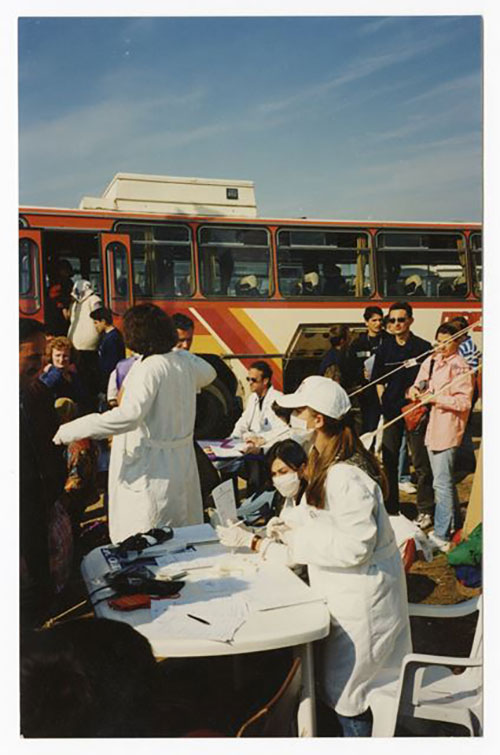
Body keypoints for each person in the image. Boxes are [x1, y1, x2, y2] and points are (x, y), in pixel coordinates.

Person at [217, 376, 411, 737]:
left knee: (352, 698)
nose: (292, 418)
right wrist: (290, 528)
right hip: (345, 593)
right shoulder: (328, 460)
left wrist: (295, 544)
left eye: (298, 411)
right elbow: (332, 526)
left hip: (360, 603)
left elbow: (355, 546)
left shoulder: (345, 474)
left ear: (318, 419)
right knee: (343, 690)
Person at [53, 304, 217, 543]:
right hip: (179, 464)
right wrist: (179, 352)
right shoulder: (182, 362)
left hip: (152, 468)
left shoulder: (150, 367)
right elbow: (209, 373)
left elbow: (128, 416)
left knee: (150, 536)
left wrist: (70, 430)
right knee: (180, 535)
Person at [408, 323, 474, 552]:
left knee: (442, 483)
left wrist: (436, 399)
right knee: (442, 480)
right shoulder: (432, 360)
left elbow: (464, 402)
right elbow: (417, 384)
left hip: (447, 429)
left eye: (446, 342)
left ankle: (443, 533)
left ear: (457, 342)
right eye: (439, 341)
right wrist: (415, 391)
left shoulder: (460, 367)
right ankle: (453, 523)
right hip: (429, 427)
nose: (441, 346)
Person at [20, 318, 67, 627]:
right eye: (32, 357)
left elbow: (53, 445)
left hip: (37, 502)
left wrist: (55, 489)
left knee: (40, 584)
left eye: (43, 356)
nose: (41, 365)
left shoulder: (38, 394)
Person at [371, 301, 434, 519]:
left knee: (420, 463)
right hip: (391, 411)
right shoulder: (384, 349)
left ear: (410, 321)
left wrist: (421, 399)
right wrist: (383, 401)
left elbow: (430, 380)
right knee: (388, 460)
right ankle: (391, 508)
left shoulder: (423, 347)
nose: (396, 324)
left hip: (415, 412)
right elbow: (378, 379)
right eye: (392, 320)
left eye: (401, 319)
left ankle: (425, 509)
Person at [348, 306, 389, 434]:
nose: (378, 324)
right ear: (366, 322)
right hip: (367, 392)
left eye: (380, 320)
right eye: (374, 320)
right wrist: (361, 373)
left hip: (386, 389)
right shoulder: (358, 344)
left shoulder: (389, 341)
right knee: (368, 426)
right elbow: (350, 368)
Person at [67, 279, 102, 405]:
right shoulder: (93, 300)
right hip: (85, 344)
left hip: (80, 343)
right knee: (85, 373)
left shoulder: (80, 303)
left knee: (82, 373)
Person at [39, 335, 90, 413]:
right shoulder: (50, 376)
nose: (61, 360)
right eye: (57, 355)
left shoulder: (74, 376)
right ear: (51, 356)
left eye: (65, 356)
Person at [89, 306, 126, 396]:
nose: (95, 326)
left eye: (96, 323)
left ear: (103, 321)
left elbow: (110, 365)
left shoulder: (112, 339)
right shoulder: (107, 336)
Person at [319, 324, 355, 389]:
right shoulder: (334, 360)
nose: (351, 340)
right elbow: (334, 386)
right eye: (349, 337)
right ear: (342, 341)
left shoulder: (333, 355)